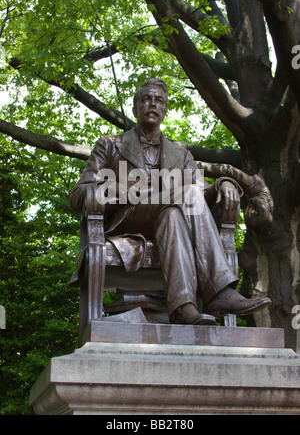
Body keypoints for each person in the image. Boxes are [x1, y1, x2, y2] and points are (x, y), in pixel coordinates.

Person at [70, 78, 271, 325]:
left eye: (159, 101)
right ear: (135, 108)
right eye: (146, 99)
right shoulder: (110, 145)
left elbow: (201, 196)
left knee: (175, 214)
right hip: (128, 220)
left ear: (165, 110)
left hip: (168, 219)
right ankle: (218, 291)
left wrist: (223, 185)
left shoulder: (182, 155)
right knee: (185, 195)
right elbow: (80, 195)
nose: (153, 104)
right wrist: (125, 189)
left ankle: (183, 308)